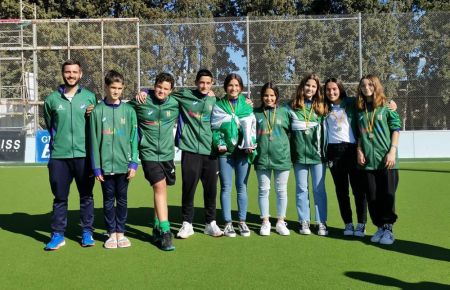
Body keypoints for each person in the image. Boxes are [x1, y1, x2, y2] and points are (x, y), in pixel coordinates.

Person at [136, 69, 223, 238]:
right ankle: (187, 223)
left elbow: (231, 104)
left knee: (211, 189)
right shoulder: (183, 96)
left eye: (208, 83)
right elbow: (161, 93)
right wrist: (144, 91)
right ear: (196, 82)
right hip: (189, 149)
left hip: (211, 151)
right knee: (188, 188)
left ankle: (210, 222)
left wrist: (246, 100)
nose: (204, 86)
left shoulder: (215, 100)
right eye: (201, 82)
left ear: (212, 84)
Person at [43, 59, 97, 250]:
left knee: (86, 196)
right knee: (60, 198)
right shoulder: (51, 100)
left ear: (81, 74)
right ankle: (58, 235)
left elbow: (95, 126)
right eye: (68, 72)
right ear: (63, 74)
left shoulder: (90, 98)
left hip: (84, 156)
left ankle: (87, 232)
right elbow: (50, 125)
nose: (71, 75)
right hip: (60, 156)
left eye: (75, 72)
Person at [129, 72, 179, 251]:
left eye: (166, 89)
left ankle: (157, 226)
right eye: (159, 87)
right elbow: (119, 105)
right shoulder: (142, 101)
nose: (161, 91)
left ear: (171, 91)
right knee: (159, 186)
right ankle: (166, 232)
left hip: (167, 154)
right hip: (148, 154)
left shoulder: (175, 103)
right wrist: (142, 91)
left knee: (163, 189)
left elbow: (196, 98)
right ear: (154, 86)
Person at [90, 70, 138, 249]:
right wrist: (96, 167)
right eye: (113, 87)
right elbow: (94, 141)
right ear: (106, 87)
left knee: (123, 199)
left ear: (123, 88)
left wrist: (133, 163)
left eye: (119, 88)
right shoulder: (97, 111)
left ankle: (121, 232)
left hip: (124, 166)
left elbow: (134, 138)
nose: (116, 91)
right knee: (108, 200)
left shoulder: (129, 111)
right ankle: (111, 233)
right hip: (105, 166)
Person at [355, 74, 401, 245]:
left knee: (387, 195)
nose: (366, 88)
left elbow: (396, 129)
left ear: (376, 86)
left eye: (370, 85)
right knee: (372, 196)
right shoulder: (360, 109)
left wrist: (392, 151)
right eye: (363, 85)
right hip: (368, 162)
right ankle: (379, 227)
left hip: (386, 160)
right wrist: (359, 150)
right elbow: (359, 134)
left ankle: (388, 229)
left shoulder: (387, 106)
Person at [211, 73, 257, 237]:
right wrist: (219, 143)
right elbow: (215, 129)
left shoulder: (247, 106)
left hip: (243, 153)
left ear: (241, 88)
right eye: (231, 85)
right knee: (226, 187)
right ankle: (228, 223)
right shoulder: (219, 106)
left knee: (242, 187)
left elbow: (252, 128)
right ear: (226, 87)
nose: (234, 88)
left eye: (237, 85)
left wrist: (250, 143)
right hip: (225, 154)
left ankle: (242, 222)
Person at [323, 78, 367, 237]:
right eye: (328, 89)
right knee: (341, 191)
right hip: (334, 152)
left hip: (352, 149)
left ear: (340, 89)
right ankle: (348, 223)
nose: (331, 92)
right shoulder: (323, 106)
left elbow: (370, 101)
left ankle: (361, 223)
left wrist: (391, 104)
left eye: (334, 89)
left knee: (358, 190)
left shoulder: (351, 102)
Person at [288, 73, 328, 236]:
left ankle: (321, 222)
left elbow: (345, 104)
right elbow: (271, 107)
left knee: (319, 189)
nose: (310, 88)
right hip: (299, 155)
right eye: (307, 85)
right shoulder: (291, 106)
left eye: (313, 86)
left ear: (317, 89)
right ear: (302, 86)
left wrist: (390, 104)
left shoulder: (323, 107)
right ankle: (304, 220)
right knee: (301, 189)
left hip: (318, 156)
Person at [253, 83, 291, 236]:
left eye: (272, 95)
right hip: (262, 158)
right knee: (263, 190)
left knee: (281, 191)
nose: (269, 98)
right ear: (262, 96)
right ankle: (265, 221)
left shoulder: (284, 112)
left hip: (282, 158)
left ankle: (281, 221)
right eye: (266, 95)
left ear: (277, 96)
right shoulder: (255, 113)